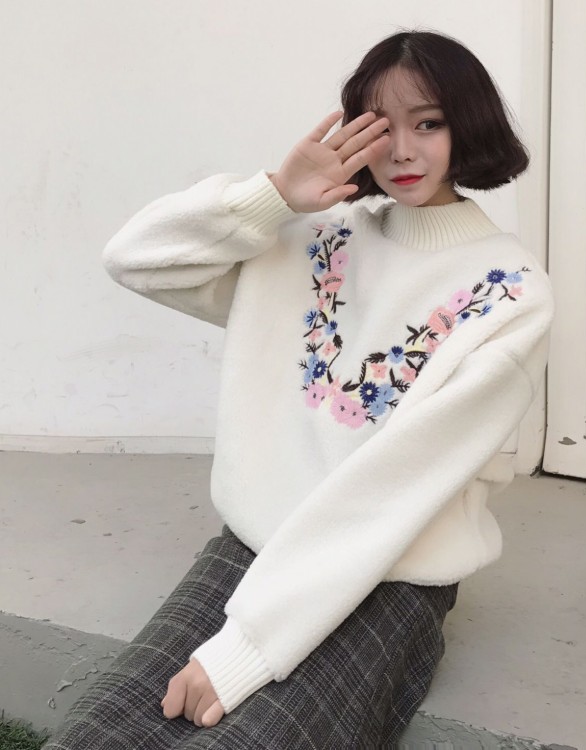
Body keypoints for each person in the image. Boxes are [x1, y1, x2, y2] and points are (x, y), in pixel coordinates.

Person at [45, 29, 554, 749]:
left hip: (389, 576)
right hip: (253, 548)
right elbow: (136, 259)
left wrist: (247, 650)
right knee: (97, 733)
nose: (402, 151)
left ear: (467, 125)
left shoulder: (511, 292)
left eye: (429, 123)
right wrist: (274, 198)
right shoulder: (315, 237)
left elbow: (400, 483)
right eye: (381, 126)